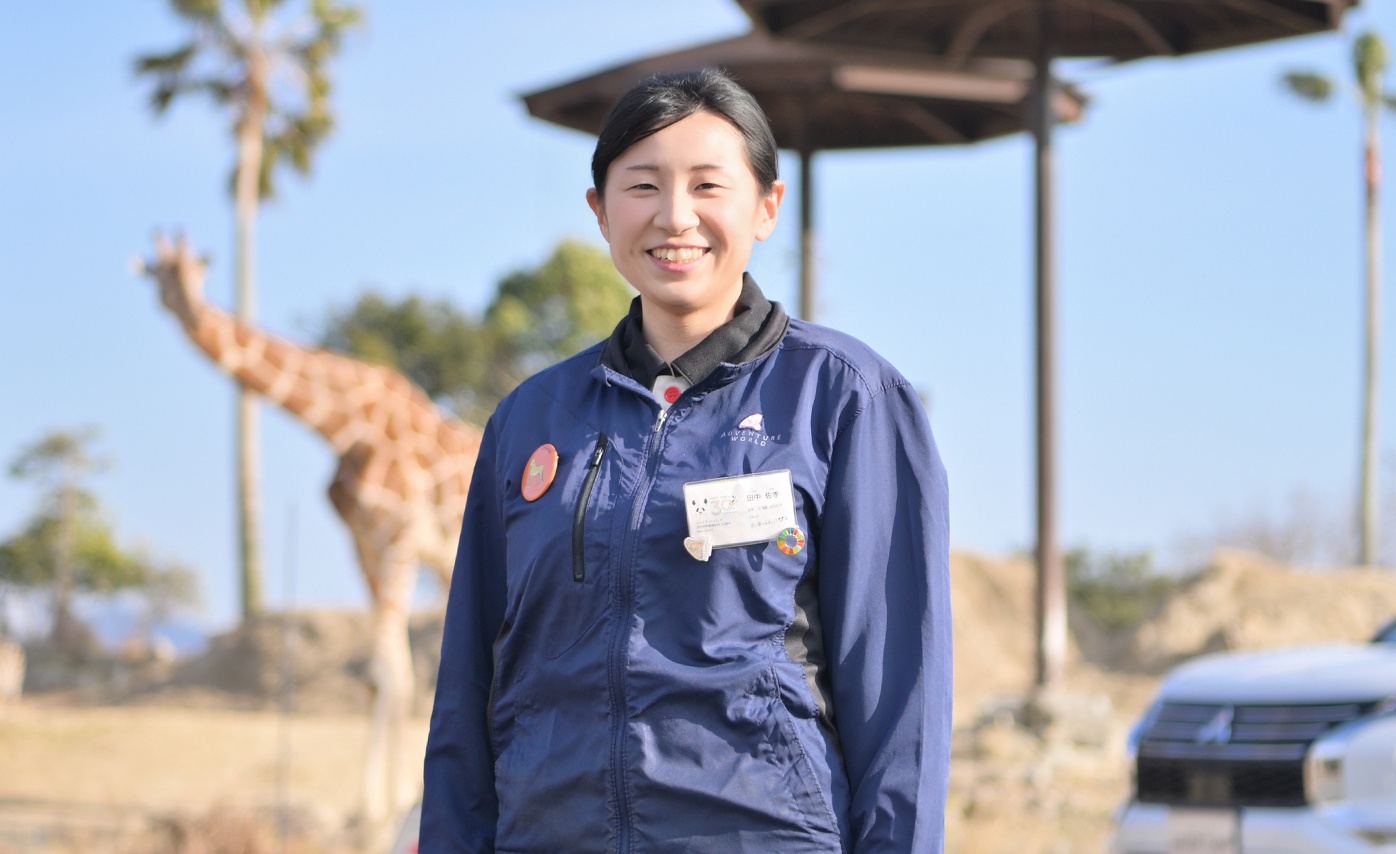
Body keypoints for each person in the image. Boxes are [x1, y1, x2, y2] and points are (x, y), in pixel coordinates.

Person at [421, 68, 951, 854]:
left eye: (708, 185)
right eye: (643, 186)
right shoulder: (530, 419)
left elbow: (902, 702)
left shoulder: (846, 398)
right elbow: (469, 688)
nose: (675, 216)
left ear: (765, 206)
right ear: (600, 211)